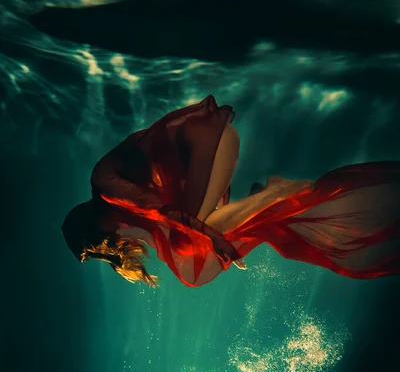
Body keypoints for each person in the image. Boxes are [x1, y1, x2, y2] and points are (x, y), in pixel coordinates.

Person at [62, 95, 400, 287]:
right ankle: (261, 197)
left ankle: (270, 192)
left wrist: (218, 238)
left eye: (104, 242)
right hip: (204, 156)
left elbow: (168, 213)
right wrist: (217, 237)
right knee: (193, 245)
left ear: (95, 226)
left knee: (190, 238)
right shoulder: (115, 208)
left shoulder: (107, 188)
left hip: (209, 143)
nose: (115, 240)